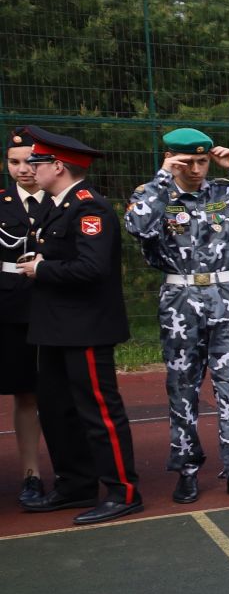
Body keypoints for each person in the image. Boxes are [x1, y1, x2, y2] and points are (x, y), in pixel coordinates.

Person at [124, 127, 229, 503]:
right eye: (188, 162)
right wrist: (164, 178)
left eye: (202, 161)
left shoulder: (224, 192)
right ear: (170, 159)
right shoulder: (153, 193)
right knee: (182, 388)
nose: (197, 169)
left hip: (224, 296)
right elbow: (137, 226)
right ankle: (186, 469)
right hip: (179, 297)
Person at [14, 126, 143, 523]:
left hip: (85, 328)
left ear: (57, 165)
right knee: (56, 409)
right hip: (55, 328)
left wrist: (42, 269)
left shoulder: (90, 208)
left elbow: (91, 268)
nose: (29, 169)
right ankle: (75, 483)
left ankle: (123, 491)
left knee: (98, 411)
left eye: (36, 162)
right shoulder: (57, 205)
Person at [2, 128, 48, 504]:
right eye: (15, 162)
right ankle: (31, 474)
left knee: (63, 391)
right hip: (10, 310)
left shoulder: (63, 200)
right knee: (25, 393)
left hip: (57, 306)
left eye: (31, 161)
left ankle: (74, 470)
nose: (23, 169)